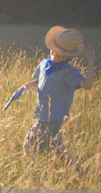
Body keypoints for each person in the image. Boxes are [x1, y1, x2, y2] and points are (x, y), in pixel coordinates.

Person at [18, 26, 95, 158]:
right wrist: (27, 85)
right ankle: (80, 172)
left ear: (69, 56)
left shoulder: (70, 73)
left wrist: (91, 63)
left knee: (30, 143)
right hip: (41, 114)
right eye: (54, 48)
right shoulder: (44, 64)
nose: (55, 52)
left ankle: (32, 168)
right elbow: (41, 82)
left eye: (61, 51)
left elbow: (87, 85)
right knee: (57, 150)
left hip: (53, 118)